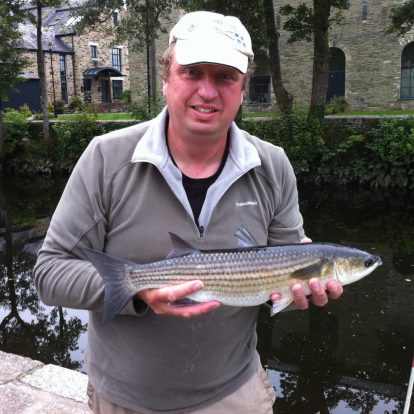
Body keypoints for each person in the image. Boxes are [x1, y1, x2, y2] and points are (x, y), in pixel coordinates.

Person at [34, 11, 343, 414]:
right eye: (192, 72)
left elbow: (281, 270)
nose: (207, 91)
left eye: (225, 77)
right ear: (166, 79)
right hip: (125, 399)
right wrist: (137, 290)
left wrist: (300, 282)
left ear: (242, 88)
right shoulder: (106, 160)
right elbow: (49, 273)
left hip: (233, 395)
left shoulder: (273, 166)